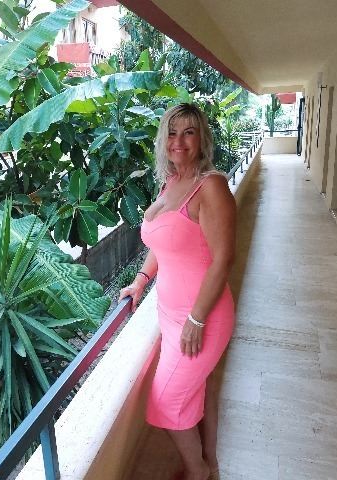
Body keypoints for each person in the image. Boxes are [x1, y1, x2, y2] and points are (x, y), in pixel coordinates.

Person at [119, 103, 236, 480]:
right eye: (171, 132)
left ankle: (197, 470)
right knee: (199, 388)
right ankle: (210, 463)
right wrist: (141, 279)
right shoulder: (170, 183)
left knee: (166, 401)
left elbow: (223, 259)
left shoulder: (211, 186)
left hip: (203, 317)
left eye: (188, 132)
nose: (178, 141)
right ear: (162, 140)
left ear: (202, 138)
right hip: (169, 316)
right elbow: (164, 242)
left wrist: (196, 319)